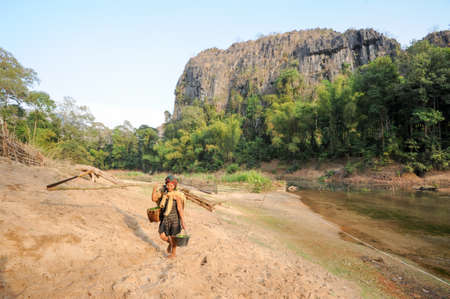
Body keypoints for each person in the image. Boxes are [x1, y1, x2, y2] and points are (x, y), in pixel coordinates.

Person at [152, 175, 186, 258]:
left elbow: (180, 209)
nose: (169, 187)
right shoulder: (163, 193)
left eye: (171, 185)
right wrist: (154, 190)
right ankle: (171, 243)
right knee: (162, 235)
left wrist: (182, 222)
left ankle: (173, 254)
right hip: (165, 218)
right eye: (168, 185)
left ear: (175, 186)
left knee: (173, 237)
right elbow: (153, 199)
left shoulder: (177, 195)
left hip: (174, 219)